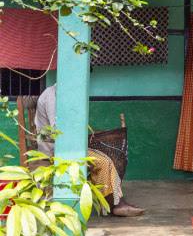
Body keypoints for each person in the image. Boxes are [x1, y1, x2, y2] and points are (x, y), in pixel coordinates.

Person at [35, 84, 145, 217]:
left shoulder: (59, 95)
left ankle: (115, 203)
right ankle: (115, 205)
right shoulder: (52, 94)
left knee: (105, 159)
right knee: (104, 162)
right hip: (56, 150)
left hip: (65, 147)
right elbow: (56, 129)